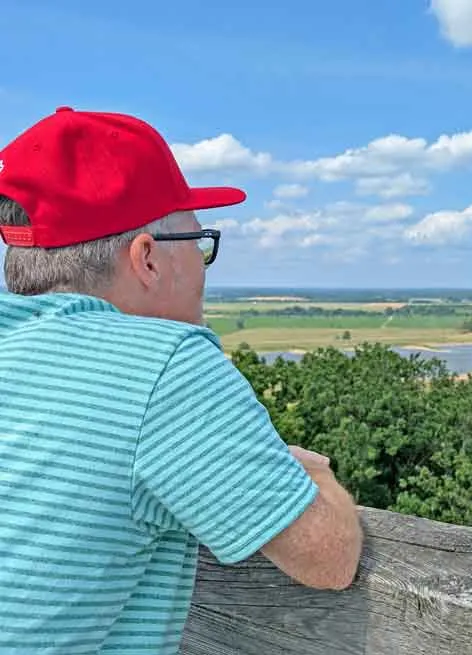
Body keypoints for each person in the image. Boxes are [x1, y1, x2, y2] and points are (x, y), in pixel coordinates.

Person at [0, 107, 363, 653]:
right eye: (198, 243)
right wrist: (316, 477)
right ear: (146, 259)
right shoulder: (163, 365)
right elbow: (329, 557)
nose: (199, 265)